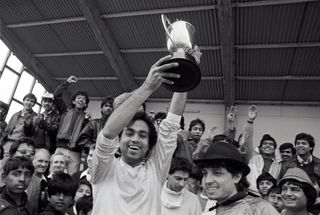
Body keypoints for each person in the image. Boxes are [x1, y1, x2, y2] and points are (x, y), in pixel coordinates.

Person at [90, 55, 186, 215]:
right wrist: (147, 86)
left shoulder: (156, 170)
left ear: (149, 145)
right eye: (129, 133)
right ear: (119, 141)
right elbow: (107, 134)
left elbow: (172, 124)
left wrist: (185, 67)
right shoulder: (103, 168)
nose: (135, 139)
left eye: (142, 135)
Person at [194, 141, 280, 215]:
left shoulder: (258, 209)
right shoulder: (216, 209)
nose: (208, 180)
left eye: (217, 173)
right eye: (204, 173)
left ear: (237, 177)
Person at [55, 76, 91, 175]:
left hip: (75, 152)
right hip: (61, 149)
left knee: (72, 178)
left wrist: (87, 121)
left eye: (84, 99)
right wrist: (67, 82)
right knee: (55, 175)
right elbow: (56, 96)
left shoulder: (87, 119)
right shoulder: (65, 111)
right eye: (78, 98)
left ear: (85, 104)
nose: (81, 100)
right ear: (73, 101)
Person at [1, 93, 37, 160]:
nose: (29, 103)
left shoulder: (35, 117)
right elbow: (7, 130)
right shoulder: (15, 114)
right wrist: (2, 141)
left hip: (21, 144)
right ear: (23, 101)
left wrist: (28, 125)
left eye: (32, 101)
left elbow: (32, 134)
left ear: (34, 104)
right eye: (27, 100)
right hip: (8, 142)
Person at [32, 148, 51, 213]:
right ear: (32, 160)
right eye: (40, 161)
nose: (43, 164)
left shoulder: (50, 182)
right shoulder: (25, 180)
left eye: (46, 162)